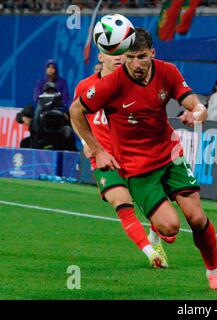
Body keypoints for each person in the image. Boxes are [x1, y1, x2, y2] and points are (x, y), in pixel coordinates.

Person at [70, 27, 217, 292]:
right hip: (137, 168)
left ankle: (214, 274)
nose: (136, 63)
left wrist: (198, 113)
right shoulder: (111, 84)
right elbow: (75, 111)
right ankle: (159, 226)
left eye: (142, 57)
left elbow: (195, 104)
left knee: (196, 217)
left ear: (152, 54)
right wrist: (97, 149)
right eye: (131, 57)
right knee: (171, 226)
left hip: (170, 155)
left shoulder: (167, 71)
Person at [73, 51, 170, 269]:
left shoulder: (134, 85)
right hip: (104, 157)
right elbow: (75, 116)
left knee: (159, 208)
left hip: (135, 155)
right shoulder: (85, 86)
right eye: (111, 53)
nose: (118, 57)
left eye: (121, 53)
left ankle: (155, 240)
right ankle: (150, 252)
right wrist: (85, 141)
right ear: (100, 57)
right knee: (121, 202)